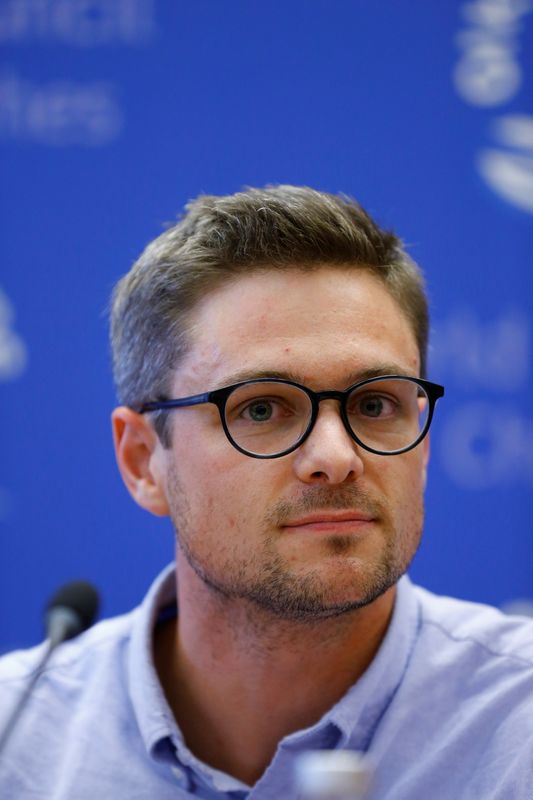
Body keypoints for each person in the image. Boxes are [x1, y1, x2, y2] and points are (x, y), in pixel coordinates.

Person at [1, 186, 532, 799]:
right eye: (260, 409)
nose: (336, 458)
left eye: (374, 404)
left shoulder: (515, 729)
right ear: (143, 461)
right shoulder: (21, 744)